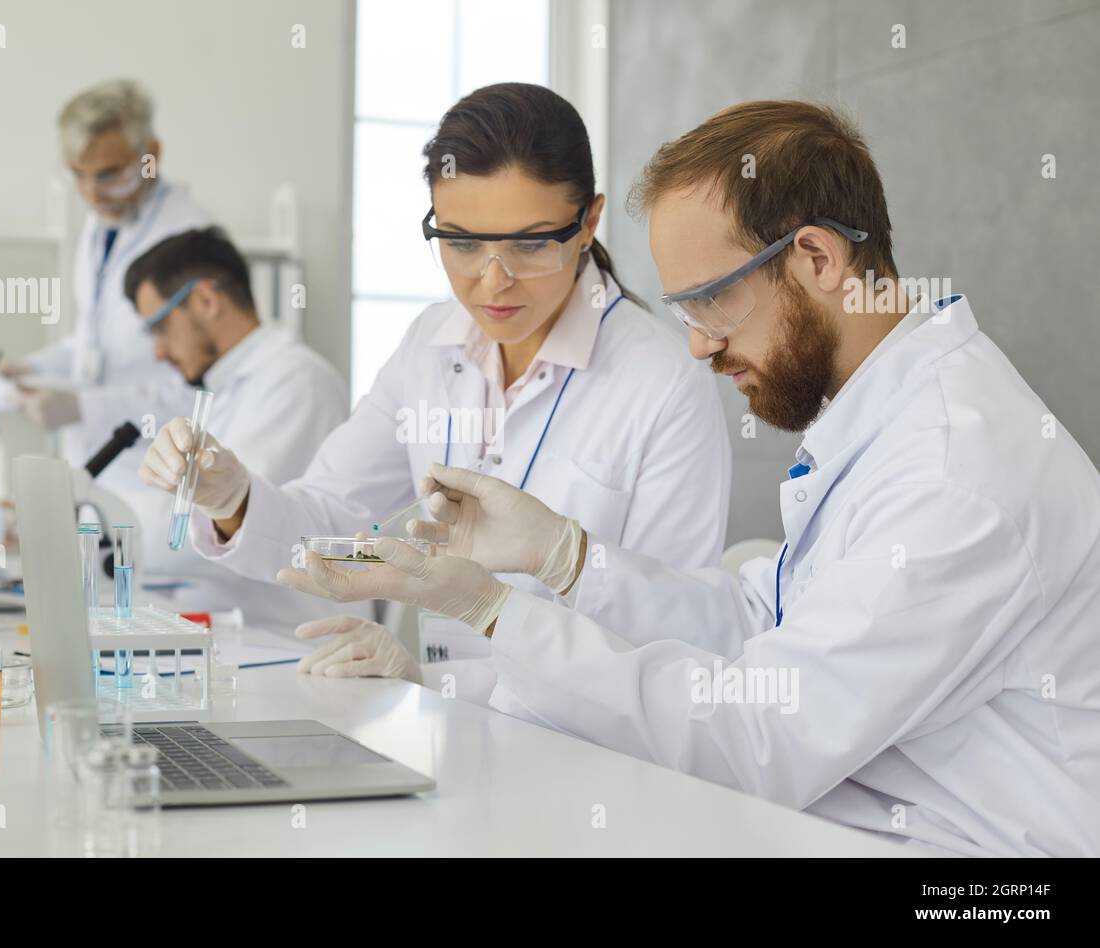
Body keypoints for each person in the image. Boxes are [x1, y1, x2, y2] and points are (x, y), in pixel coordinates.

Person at [277, 101, 1100, 857]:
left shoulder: (952, 474)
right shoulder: (885, 416)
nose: (699, 347)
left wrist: (492, 615)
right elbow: (758, 624)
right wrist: (567, 556)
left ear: (814, 256)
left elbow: (758, 739)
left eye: (711, 301)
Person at [138, 82, 732, 695]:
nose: (492, 281)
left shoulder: (663, 384)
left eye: (530, 243)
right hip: (452, 731)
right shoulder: (429, 346)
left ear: (588, 224)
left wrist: (442, 680)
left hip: (590, 748)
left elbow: (675, 640)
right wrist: (232, 499)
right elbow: (332, 528)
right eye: (462, 242)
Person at [123, 227, 358, 630]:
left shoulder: (297, 381)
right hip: (231, 633)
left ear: (207, 300)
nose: (158, 351)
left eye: (160, 327)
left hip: (287, 641)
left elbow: (210, 532)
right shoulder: (223, 388)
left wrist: (92, 529)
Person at [7, 79, 210, 495]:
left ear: (151, 154)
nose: (92, 194)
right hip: (97, 466)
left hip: (155, 476)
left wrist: (82, 406)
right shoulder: (104, 224)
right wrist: (35, 368)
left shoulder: (189, 242)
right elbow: (95, 341)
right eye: (78, 176)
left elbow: (200, 391)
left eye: (109, 175)